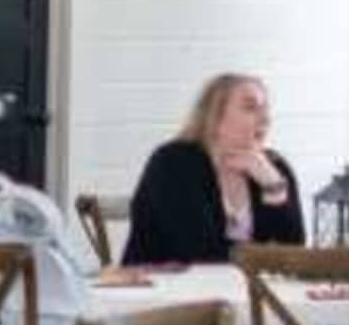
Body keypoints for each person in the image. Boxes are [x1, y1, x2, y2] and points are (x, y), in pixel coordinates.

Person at [121, 71, 305, 267]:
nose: (265, 119)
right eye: (250, 108)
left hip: (242, 284)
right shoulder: (173, 161)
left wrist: (273, 187)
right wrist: (264, 258)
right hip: (162, 283)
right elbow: (200, 251)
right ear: (215, 117)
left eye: (265, 109)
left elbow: (294, 252)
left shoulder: (275, 167)